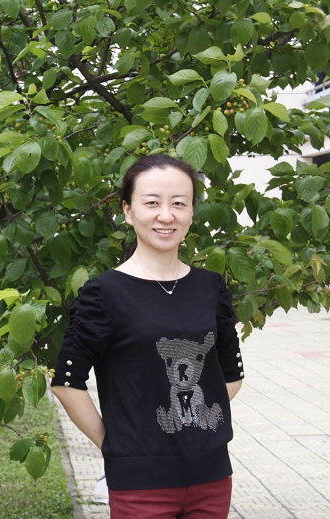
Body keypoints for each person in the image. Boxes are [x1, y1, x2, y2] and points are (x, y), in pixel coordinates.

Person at [51, 154, 244, 518]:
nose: (166, 215)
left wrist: (191, 425)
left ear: (191, 213)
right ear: (128, 211)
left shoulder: (210, 288)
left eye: (179, 203)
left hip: (212, 477)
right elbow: (66, 383)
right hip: (140, 484)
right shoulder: (103, 294)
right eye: (152, 203)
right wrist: (117, 444)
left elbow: (231, 375)